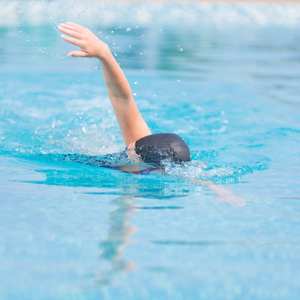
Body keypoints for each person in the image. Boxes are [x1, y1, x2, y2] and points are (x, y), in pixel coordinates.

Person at [58, 22, 245, 206]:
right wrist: (105, 54)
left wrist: (222, 192)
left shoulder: (151, 162)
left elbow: (196, 177)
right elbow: (123, 98)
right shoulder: (147, 156)